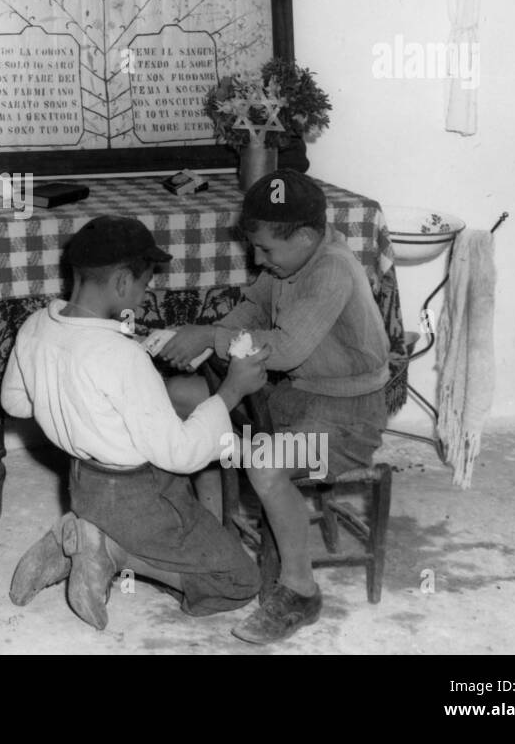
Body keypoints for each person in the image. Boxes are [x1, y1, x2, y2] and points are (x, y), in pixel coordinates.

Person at [1, 215, 270, 630]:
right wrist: (231, 390)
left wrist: (73, 399)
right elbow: (181, 455)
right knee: (239, 580)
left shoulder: (35, 326)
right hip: (135, 497)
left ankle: (84, 533)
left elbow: (15, 403)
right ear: (124, 283)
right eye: (145, 286)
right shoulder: (123, 358)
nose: (145, 297)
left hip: (82, 484)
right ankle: (110, 550)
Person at [156, 169, 390, 643]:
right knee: (178, 398)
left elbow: (285, 350)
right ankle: (212, 533)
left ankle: (301, 591)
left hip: (348, 420)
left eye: (266, 250)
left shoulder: (331, 269)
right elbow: (250, 311)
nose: (258, 259)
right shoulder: (288, 261)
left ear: (306, 236)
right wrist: (207, 341)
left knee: (264, 465)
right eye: (254, 248)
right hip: (294, 398)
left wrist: (211, 337)